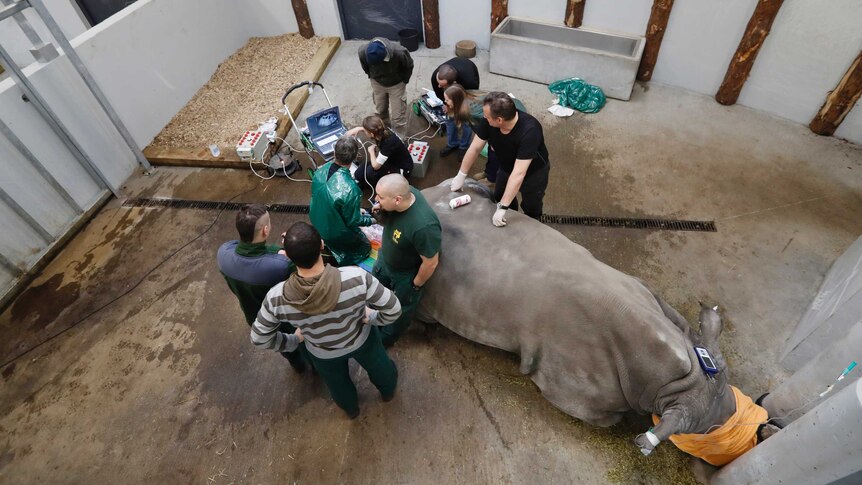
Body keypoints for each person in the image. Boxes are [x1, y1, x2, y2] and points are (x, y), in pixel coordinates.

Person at [251, 222, 402, 419]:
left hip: (322, 352)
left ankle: (352, 410)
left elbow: (259, 338)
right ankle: (388, 392)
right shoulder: (356, 277)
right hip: (361, 339)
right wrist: (371, 318)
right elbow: (394, 309)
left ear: (287, 255)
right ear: (322, 245)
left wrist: (293, 341)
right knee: (381, 368)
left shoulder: (276, 297)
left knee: (337, 384)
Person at [217, 204, 307, 373]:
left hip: (254, 316)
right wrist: (287, 252)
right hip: (283, 317)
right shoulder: (280, 266)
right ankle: (311, 365)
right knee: (298, 341)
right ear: (265, 230)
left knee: (284, 348)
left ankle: (297, 366)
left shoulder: (223, 253)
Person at [450, 91, 550, 226]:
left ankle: (533, 224)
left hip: (533, 173)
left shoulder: (530, 130)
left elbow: (519, 173)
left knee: (531, 205)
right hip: (506, 165)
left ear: (499, 120)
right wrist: (461, 175)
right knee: (500, 194)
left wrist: (502, 207)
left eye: (487, 117)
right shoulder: (489, 121)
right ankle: (509, 214)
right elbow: (475, 148)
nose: (485, 119)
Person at [371, 174, 441, 346]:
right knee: (375, 293)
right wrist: (380, 213)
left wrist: (415, 285)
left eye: (380, 197)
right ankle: (374, 320)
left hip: (404, 275)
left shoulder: (423, 226)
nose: (375, 199)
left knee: (400, 310)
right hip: (384, 261)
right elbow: (389, 221)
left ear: (397, 199)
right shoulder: (400, 198)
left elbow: (431, 262)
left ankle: (385, 339)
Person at [309, 136, 374, 266]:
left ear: (334, 153)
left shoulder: (320, 171)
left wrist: (354, 210)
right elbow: (353, 221)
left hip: (316, 221)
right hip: (335, 233)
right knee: (364, 249)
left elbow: (327, 199)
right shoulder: (350, 189)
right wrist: (371, 220)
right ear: (355, 157)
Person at [443, 85, 527, 183]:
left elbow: (488, 124)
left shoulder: (472, 112)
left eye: (447, 100)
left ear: (456, 100)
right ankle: (488, 172)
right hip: (499, 117)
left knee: (498, 152)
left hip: (508, 119)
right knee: (491, 149)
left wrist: (493, 140)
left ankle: (492, 179)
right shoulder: (467, 95)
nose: (445, 102)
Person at [358, 37, 414, 132]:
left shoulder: (399, 52)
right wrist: (372, 77)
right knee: (380, 111)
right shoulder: (363, 51)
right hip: (377, 83)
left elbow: (409, 66)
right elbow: (365, 67)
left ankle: (399, 139)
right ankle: (384, 133)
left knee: (398, 116)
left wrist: (404, 81)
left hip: (396, 84)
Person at [346, 115, 413, 190]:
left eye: (365, 131)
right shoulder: (382, 130)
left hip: (402, 169)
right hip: (389, 161)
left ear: (371, 134)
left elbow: (376, 166)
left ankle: (381, 187)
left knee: (370, 172)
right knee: (358, 174)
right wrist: (358, 129)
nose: (364, 132)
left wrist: (371, 152)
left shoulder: (388, 142)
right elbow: (373, 130)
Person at [430, 58, 480, 159]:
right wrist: (447, 104)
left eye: (443, 85)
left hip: (468, 93)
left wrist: (461, 108)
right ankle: (452, 143)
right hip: (452, 91)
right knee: (449, 119)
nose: (439, 86)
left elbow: (471, 95)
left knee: (467, 121)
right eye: (438, 83)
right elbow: (439, 92)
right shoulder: (436, 77)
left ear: (454, 82)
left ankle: (464, 146)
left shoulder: (469, 81)